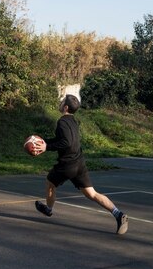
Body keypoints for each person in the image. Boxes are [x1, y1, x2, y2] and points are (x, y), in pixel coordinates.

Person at [33, 94, 128, 234]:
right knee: (92, 193)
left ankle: (49, 209)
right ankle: (118, 214)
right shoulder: (73, 121)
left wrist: (47, 147)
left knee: (50, 183)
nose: (60, 102)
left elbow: (66, 143)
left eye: (62, 101)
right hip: (79, 163)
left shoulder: (62, 122)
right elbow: (63, 139)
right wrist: (45, 141)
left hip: (67, 164)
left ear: (65, 107)